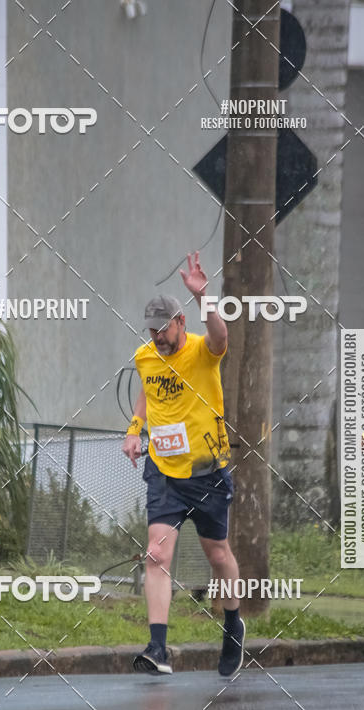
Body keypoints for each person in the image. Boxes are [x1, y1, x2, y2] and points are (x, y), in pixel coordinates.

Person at [121, 251, 245, 677]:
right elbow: (147, 393)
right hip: (164, 470)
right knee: (157, 555)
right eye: (151, 330)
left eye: (163, 329)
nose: (156, 336)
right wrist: (134, 429)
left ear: (180, 324)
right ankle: (158, 648)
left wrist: (203, 296)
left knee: (218, 555)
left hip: (208, 470)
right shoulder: (145, 356)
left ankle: (232, 624)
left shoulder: (201, 351)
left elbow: (221, 338)